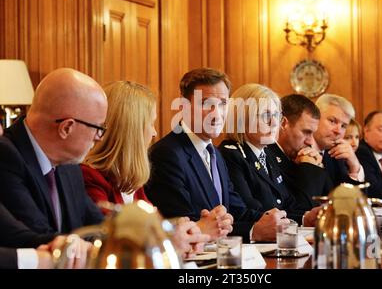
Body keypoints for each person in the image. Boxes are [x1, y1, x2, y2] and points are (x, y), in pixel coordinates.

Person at [146, 68, 296, 242]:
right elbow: (184, 224)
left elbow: (235, 209)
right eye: (206, 104)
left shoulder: (215, 153)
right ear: (182, 107)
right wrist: (253, 231)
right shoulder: (167, 154)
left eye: (223, 103)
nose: (216, 114)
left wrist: (275, 221)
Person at [81, 81, 209, 258]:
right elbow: (112, 242)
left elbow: (153, 229)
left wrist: (185, 234)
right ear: (132, 130)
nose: (155, 132)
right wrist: (170, 242)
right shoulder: (90, 176)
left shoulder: (131, 178)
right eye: (151, 123)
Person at [0, 68, 105, 234]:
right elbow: (40, 236)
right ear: (66, 128)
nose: (99, 137)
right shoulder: (6, 157)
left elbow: (99, 227)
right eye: (98, 127)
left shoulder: (69, 164)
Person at [218, 84, 318, 223]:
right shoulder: (231, 155)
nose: (274, 123)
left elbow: (286, 203)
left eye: (276, 115)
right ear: (242, 119)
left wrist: (305, 217)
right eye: (266, 115)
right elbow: (248, 210)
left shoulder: (267, 153)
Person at [0, 123, 90, 269]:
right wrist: (40, 259)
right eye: (98, 128)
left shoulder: (69, 166)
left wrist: (64, 244)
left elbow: (17, 235)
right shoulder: (9, 155)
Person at [267, 94, 332, 208]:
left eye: (312, 133)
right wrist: (308, 167)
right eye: (306, 132)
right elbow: (302, 208)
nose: (311, 141)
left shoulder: (300, 156)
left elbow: (331, 201)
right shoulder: (267, 155)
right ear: (283, 124)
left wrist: (316, 166)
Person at [313, 94, 365, 186]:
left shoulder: (335, 154)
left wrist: (354, 166)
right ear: (315, 118)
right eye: (332, 121)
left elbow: (353, 198)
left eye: (343, 126)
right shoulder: (298, 150)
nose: (338, 131)